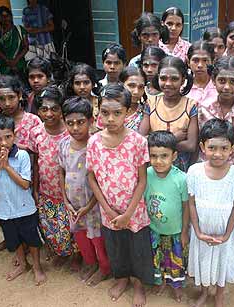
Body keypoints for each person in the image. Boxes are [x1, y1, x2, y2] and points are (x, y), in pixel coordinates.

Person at [87, 83, 153, 307]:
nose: (111, 118)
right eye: (105, 112)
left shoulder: (138, 142)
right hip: (109, 212)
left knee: (137, 250)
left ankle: (138, 285)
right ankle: (122, 279)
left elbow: (142, 180)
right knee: (116, 248)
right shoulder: (94, 142)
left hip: (134, 212)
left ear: (127, 112)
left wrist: (128, 213)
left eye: (117, 113)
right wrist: (107, 209)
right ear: (98, 111)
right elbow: (91, 178)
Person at [187, 118, 234, 307]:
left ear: (233, 148)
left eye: (224, 148)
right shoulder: (194, 172)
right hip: (201, 232)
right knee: (203, 261)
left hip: (225, 233)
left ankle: (219, 295)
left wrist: (226, 235)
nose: (218, 154)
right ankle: (204, 292)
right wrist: (198, 232)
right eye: (212, 147)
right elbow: (191, 204)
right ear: (202, 146)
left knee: (221, 264)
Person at [0, 114, 46, 285]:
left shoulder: (21, 155)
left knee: (31, 238)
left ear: (14, 135)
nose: (3, 143)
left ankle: (37, 266)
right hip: (3, 210)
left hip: (24, 208)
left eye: (8, 137)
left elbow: (25, 184)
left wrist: (7, 167)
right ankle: (23, 263)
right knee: (13, 239)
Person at [58, 97, 110, 286]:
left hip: (93, 206)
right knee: (81, 238)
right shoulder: (63, 144)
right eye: (70, 123)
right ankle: (91, 264)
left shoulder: (96, 146)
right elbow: (61, 172)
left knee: (97, 239)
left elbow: (100, 181)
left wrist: (89, 206)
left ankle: (104, 268)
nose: (75, 128)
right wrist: (65, 200)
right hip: (73, 206)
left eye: (80, 122)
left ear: (91, 121)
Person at [29, 86, 79, 267]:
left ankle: (76, 256)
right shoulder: (36, 133)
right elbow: (35, 163)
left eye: (54, 109)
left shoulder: (71, 132)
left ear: (62, 109)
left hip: (72, 193)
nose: (49, 113)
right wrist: (35, 189)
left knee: (73, 227)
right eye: (44, 109)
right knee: (52, 227)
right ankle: (61, 252)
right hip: (47, 191)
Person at [145, 131, 189, 302]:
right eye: (153, 156)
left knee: (176, 261)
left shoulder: (181, 179)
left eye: (164, 156)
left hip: (175, 232)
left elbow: (186, 207)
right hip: (154, 229)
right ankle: (161, 281)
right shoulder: (146, 175)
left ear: (174, 156)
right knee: (158, 259)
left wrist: (185, 231)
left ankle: (176, 286)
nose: (158, 161)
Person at [139, 56, 197, 172]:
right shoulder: (151, 103)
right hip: (154, 166)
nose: (168, 83)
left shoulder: (190, 106)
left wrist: (155, 142)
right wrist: (174, 138)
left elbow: (191, 145)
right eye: (163, 78)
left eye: (174, 79)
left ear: (183, 79)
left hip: (180, 167)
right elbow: (141, 141)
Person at [197, 56, 234, 170]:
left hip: (232, 171)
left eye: (233, 81)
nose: (227, 87)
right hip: (205, 171)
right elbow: (197, 145)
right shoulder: (202, 109)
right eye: (222, 81)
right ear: (213, 80)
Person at [0, 75, 42, 152]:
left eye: (11, 97)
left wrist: (12, 144)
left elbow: (41, 149)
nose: (7, 103)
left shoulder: (33, 121)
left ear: (19, 95)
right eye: (1, 99)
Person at [0, 6, 29, 76]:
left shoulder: (20, 30)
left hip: (19, 65)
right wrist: (8, 61)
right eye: (2, 16)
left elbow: (26, 47)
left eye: (7, 16)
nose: (5, 18)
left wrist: (16, 60)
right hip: (5, 67)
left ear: (11, 16)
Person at [65, 63, 100, 132]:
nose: (82, 87)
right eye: (77, 83)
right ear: (72, 85)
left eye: (86, 82)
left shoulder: (101, 103)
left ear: (93, 84)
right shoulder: (68, 106)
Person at [119, 66, 147, 131]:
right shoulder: (110, 108)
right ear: (121, 84)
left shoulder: (145, 112)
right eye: (131, 86)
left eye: (141, 87)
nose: (136, 92)